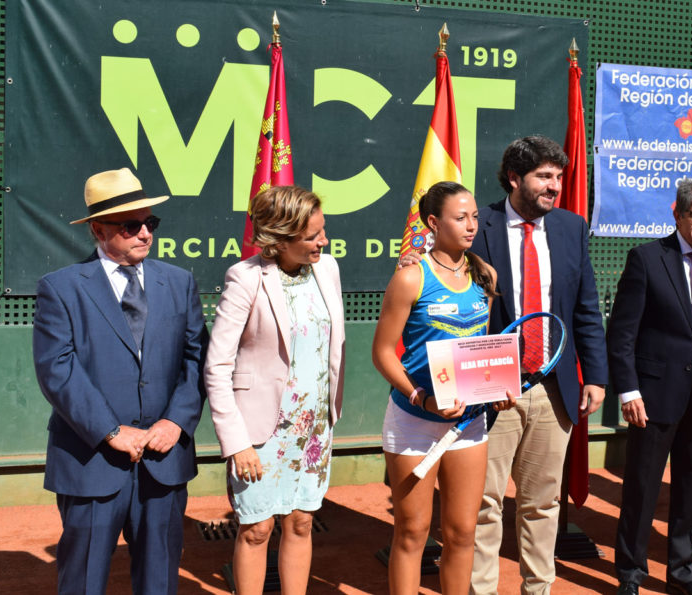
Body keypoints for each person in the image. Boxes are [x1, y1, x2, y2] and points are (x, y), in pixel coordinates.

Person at [32, 167, 207, 594]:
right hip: (92, 461)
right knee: (83, 581)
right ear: (97, 229)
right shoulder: (61, 288)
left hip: (164, 459)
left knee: (159, 580)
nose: (145, 233)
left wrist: (176, 421)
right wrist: (110, 430)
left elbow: (197, 358)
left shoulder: (180, 282)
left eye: (151, 223)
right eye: (131, 226)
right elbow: (57, 369)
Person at [470, 136, 608, 594]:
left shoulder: (571, 227)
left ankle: (538, 588)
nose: (555, 186)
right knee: (484, 502)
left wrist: (597, 377)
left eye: (559, 177)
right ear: (514, 178)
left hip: (556, 387)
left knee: (542, 502)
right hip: (493, 387)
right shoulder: (479, 225)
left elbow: (585, 308)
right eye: (544, 177)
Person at [204, 185, 345, 595]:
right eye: (312, 236)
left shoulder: (328, 269)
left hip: (313, 426)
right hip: (260, 429)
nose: (324, 241)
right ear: (279, 240)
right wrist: (237, 443)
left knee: (301, 522)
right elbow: (218, 365)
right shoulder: (244, 278)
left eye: (323, 230)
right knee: (257, 529)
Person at [373, 181, 511, 595]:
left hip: (468, 425)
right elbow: (382, 353)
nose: (471, 226)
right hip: (413, 420)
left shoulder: (485, 274)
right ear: (433, 222)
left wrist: (495, 391)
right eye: (460, 218)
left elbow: (479, 352)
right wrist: (422, 397)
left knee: (462, 532)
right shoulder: (411, 278)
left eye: (474, 217)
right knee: (413, 531)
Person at [607, 177, 692, 595]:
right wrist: (628, 391)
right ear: (677, 214)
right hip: (653, 398)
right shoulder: (647, 259)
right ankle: (630, 572)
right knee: (641, 491)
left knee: (690, 492)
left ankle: (683, 573)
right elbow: (622, 333)